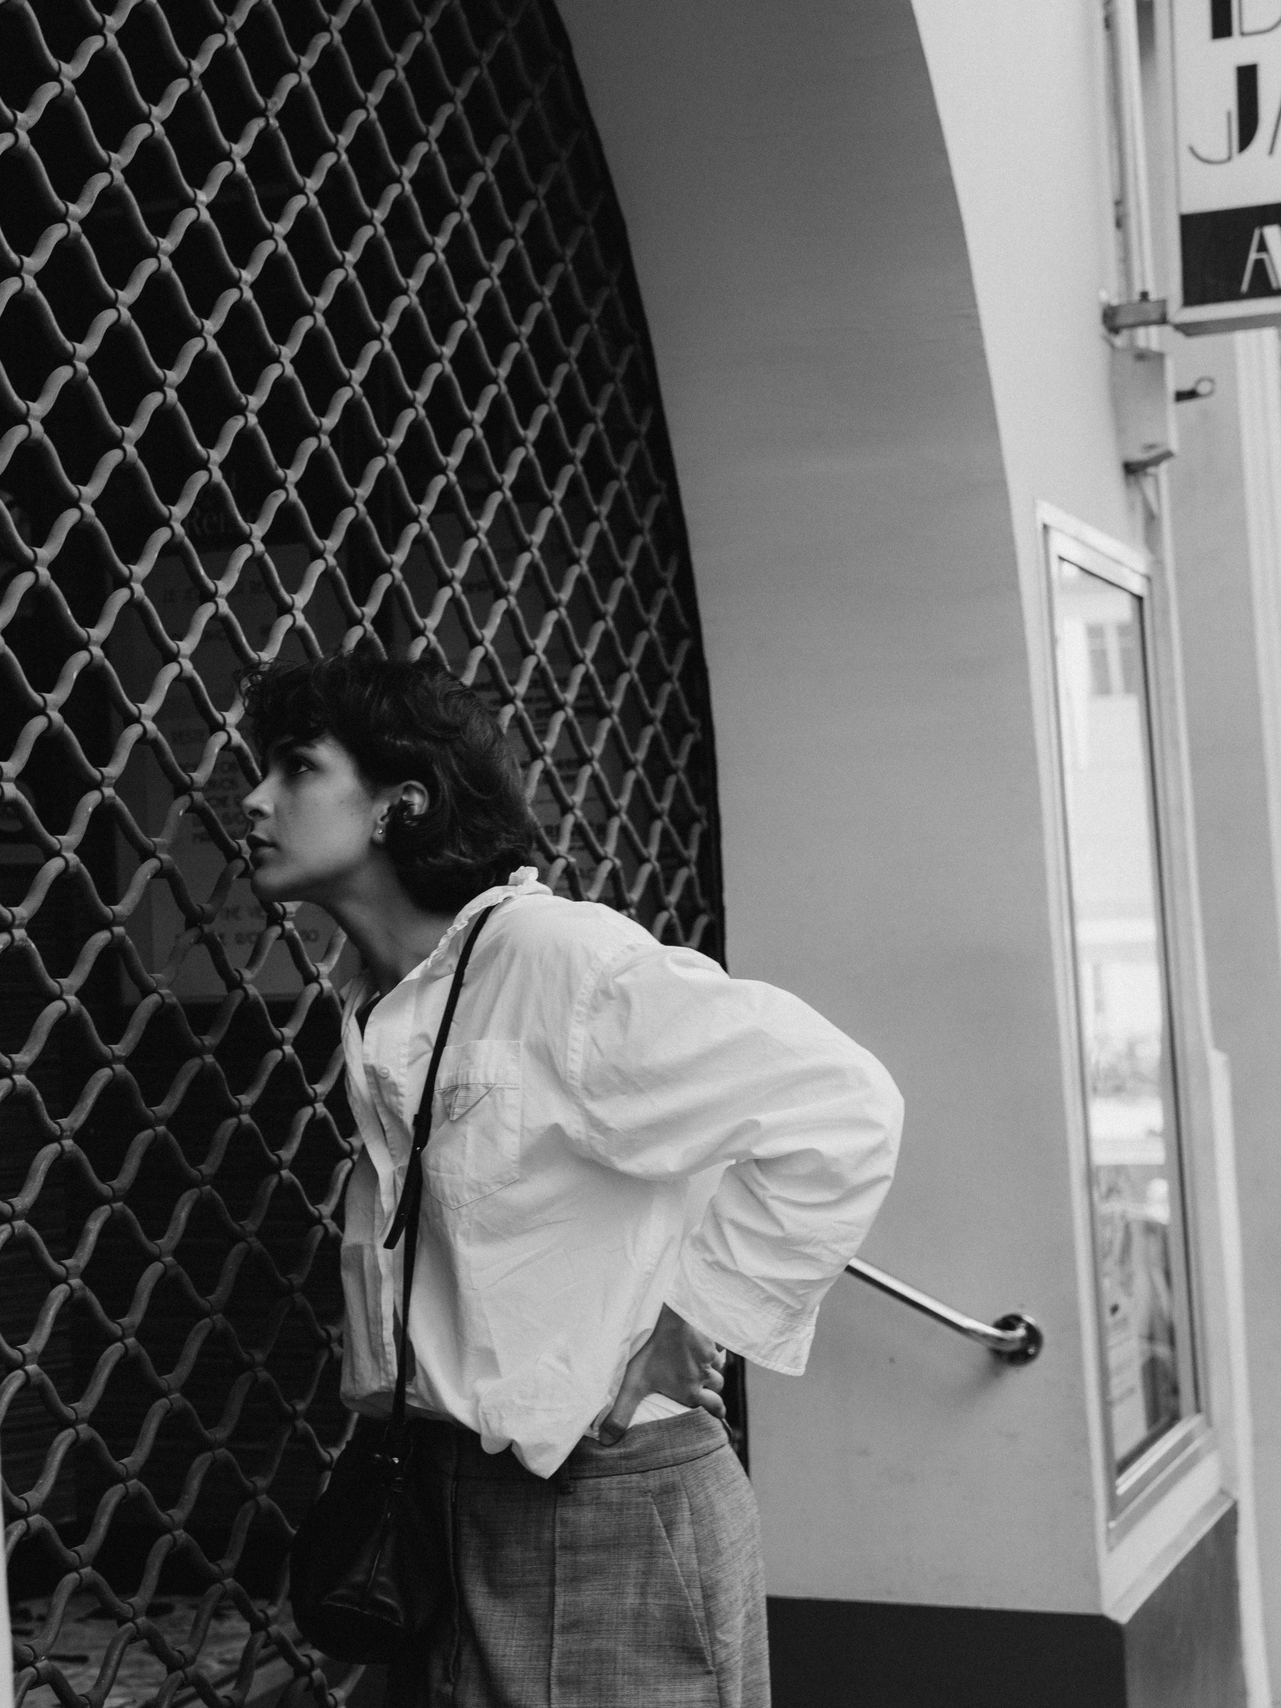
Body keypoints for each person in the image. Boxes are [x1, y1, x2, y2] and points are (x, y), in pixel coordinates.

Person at [240, 653, 899, 1708]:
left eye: (294, 769)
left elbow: (844, 1103)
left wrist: (698, 1317)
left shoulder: (560, 963)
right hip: (441, 1497)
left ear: (397, 803)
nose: (253, 799)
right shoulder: (382, 994)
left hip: (603, 1503)